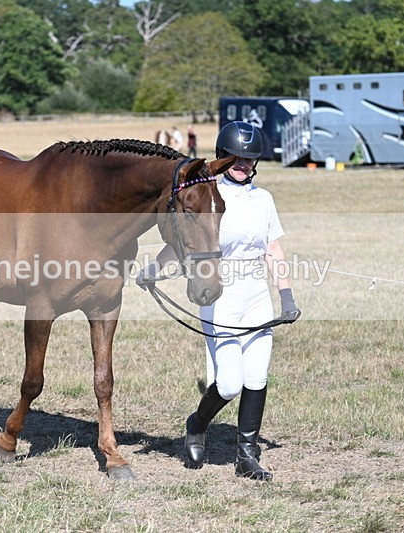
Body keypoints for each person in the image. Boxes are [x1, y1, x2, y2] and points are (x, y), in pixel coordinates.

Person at [138, 121, 301, 480]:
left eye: (249, 159)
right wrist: (153, 270)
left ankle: (246, 455)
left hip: (256, 296)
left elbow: (273, 249)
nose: (243, 165)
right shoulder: (207, 196)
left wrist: (286, 296)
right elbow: (184, 242)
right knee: (229, 384)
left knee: (256, 377)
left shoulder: (263, 200)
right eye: (235, 158)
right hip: (221, 295)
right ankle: (197, 424)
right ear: (222, 157)